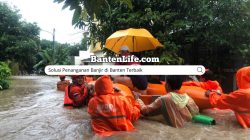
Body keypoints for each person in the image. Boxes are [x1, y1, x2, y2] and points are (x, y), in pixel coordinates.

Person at [135, 75, 199, 128]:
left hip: (174, 130)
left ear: (167, 85)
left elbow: (144, 110)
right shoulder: (188, 98)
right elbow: (196, 111)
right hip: (187, 128)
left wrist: (138, 99)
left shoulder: (164, 99)